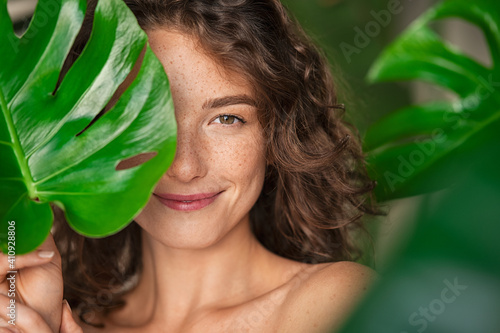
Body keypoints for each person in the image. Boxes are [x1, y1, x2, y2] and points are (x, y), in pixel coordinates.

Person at [0, 0, 378, 332]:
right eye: (145, 122)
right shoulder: (53, 322)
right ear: (92, 135)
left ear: (275, 134)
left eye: (227, 119)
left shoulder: (339, 304)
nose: (184, 167)